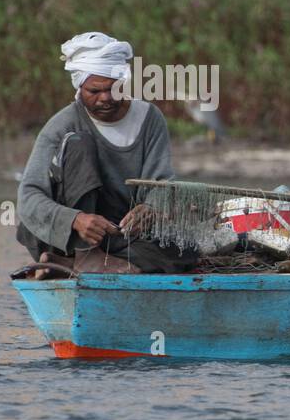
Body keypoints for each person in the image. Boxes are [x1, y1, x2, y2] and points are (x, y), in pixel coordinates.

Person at [15, 32, 197, 277]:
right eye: (95, 91)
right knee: (79, 142)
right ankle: (83, 257)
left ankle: (68, 265)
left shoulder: (149, 119)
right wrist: (75, 219)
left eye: (114, 89)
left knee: (188, 251)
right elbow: (29, 196)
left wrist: (150, 208)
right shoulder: (62, 125)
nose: (106, 98)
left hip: (118, 237)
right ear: (80, 87)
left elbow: (161, 183)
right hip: (67, 237)